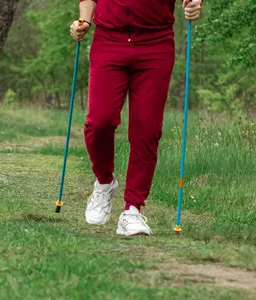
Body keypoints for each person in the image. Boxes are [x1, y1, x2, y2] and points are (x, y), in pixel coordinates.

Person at [71, 0, 202, 236]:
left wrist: (194, 3)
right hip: (109, 42)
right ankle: (104, 182)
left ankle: (132, 209)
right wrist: (84, 21)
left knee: (147, 130)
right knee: (99, 122)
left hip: (155, 44)